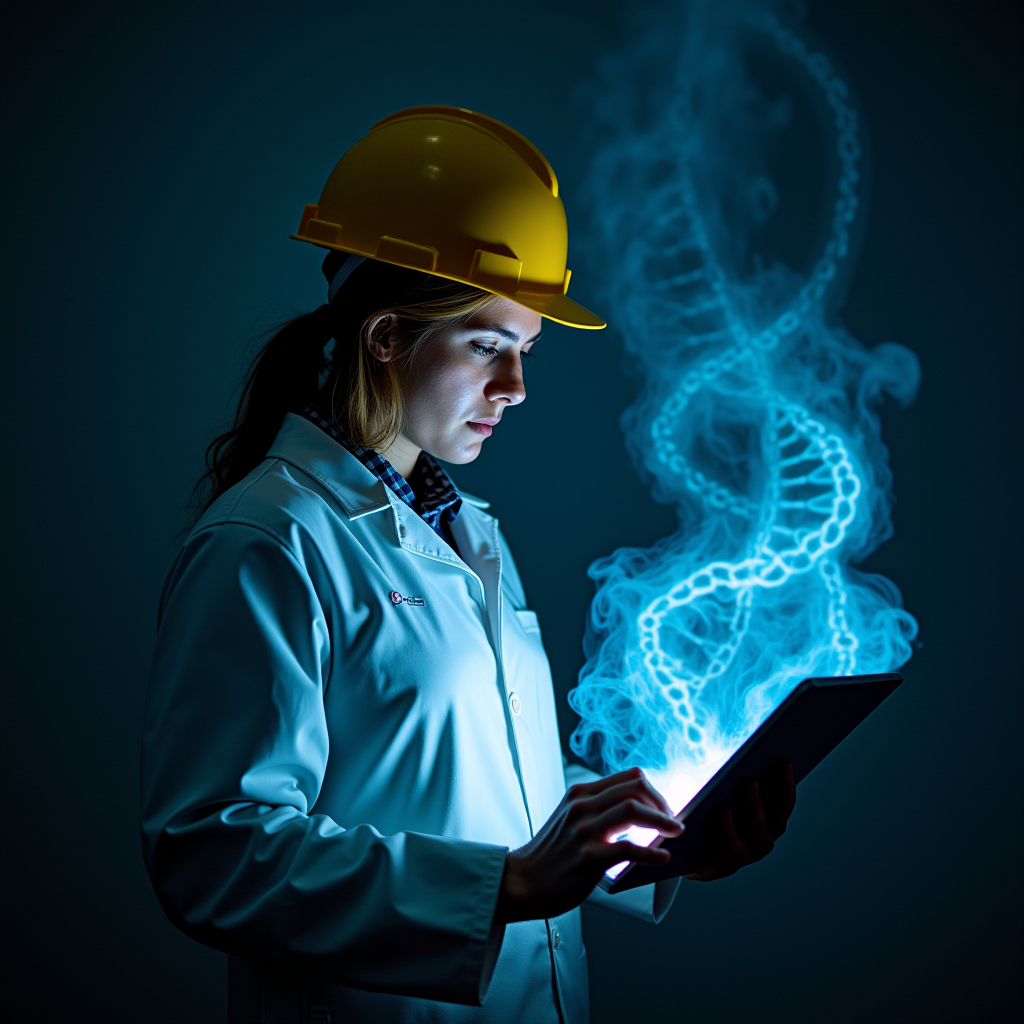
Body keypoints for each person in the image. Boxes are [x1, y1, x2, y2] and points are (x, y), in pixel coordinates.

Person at [141, 106, 794, 1024]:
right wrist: (508, 888)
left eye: (525, 351)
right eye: (488, 346)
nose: (517, 388)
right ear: (385, 337)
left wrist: (654, 841)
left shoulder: (466, 528)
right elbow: (212, 853)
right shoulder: (267, 543)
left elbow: (484, 785)